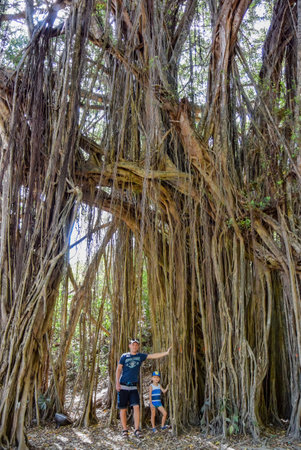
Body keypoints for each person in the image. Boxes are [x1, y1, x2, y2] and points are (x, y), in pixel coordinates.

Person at [116, 338, 172, 439]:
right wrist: (117, 383)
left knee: (136, 407)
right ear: (129, 346)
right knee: (123, 409)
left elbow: (152, 356)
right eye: (133, 344)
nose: (135, 346)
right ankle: (125, 430)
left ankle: (137, 430)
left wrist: (166, 353)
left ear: (138, 346)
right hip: (123, 385)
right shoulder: (124, 356)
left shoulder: (140, 356)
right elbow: (119, 369)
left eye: (136, 345)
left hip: (133, 386)